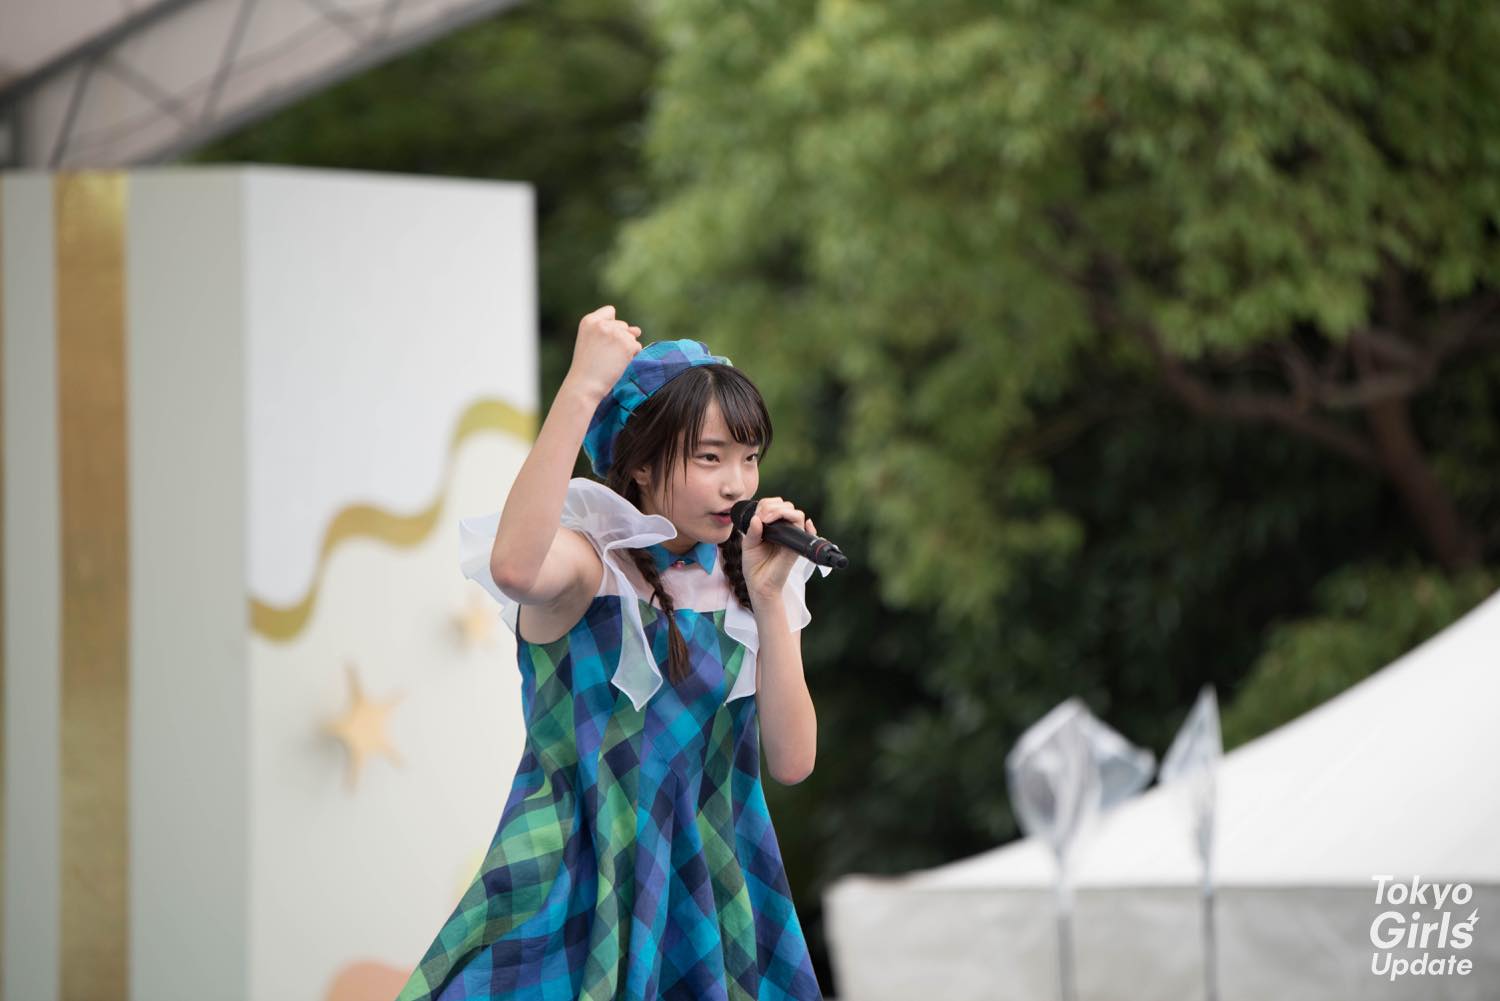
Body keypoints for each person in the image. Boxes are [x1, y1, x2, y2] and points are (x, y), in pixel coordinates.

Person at [396, 305, 833, 1000]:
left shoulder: (753, 579)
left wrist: (772, 598)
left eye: (749, 458)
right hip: (576, 870)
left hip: (709, 877)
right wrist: (581, 388)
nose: (737, 484)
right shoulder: (591, 564)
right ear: (641, 465)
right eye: (710, 457)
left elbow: (793, 760)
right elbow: (514, 567)